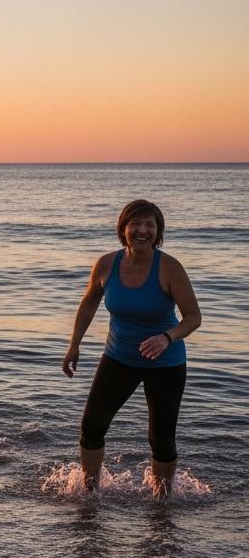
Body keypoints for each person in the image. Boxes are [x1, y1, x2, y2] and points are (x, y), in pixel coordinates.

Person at [63, 199, 201, 498]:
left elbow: (193, 317)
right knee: (92, 426)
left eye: (150, 224)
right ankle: (89, 492)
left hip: (165, 363)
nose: (142, 230)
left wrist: (167, 337)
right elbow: (89, 303)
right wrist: (74, 344)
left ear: (158, 231)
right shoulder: (106, 264)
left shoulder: (169, 267)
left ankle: (162, 501)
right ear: (123, 229)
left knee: (161, 439)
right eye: (135, 223)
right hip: (118, 357)